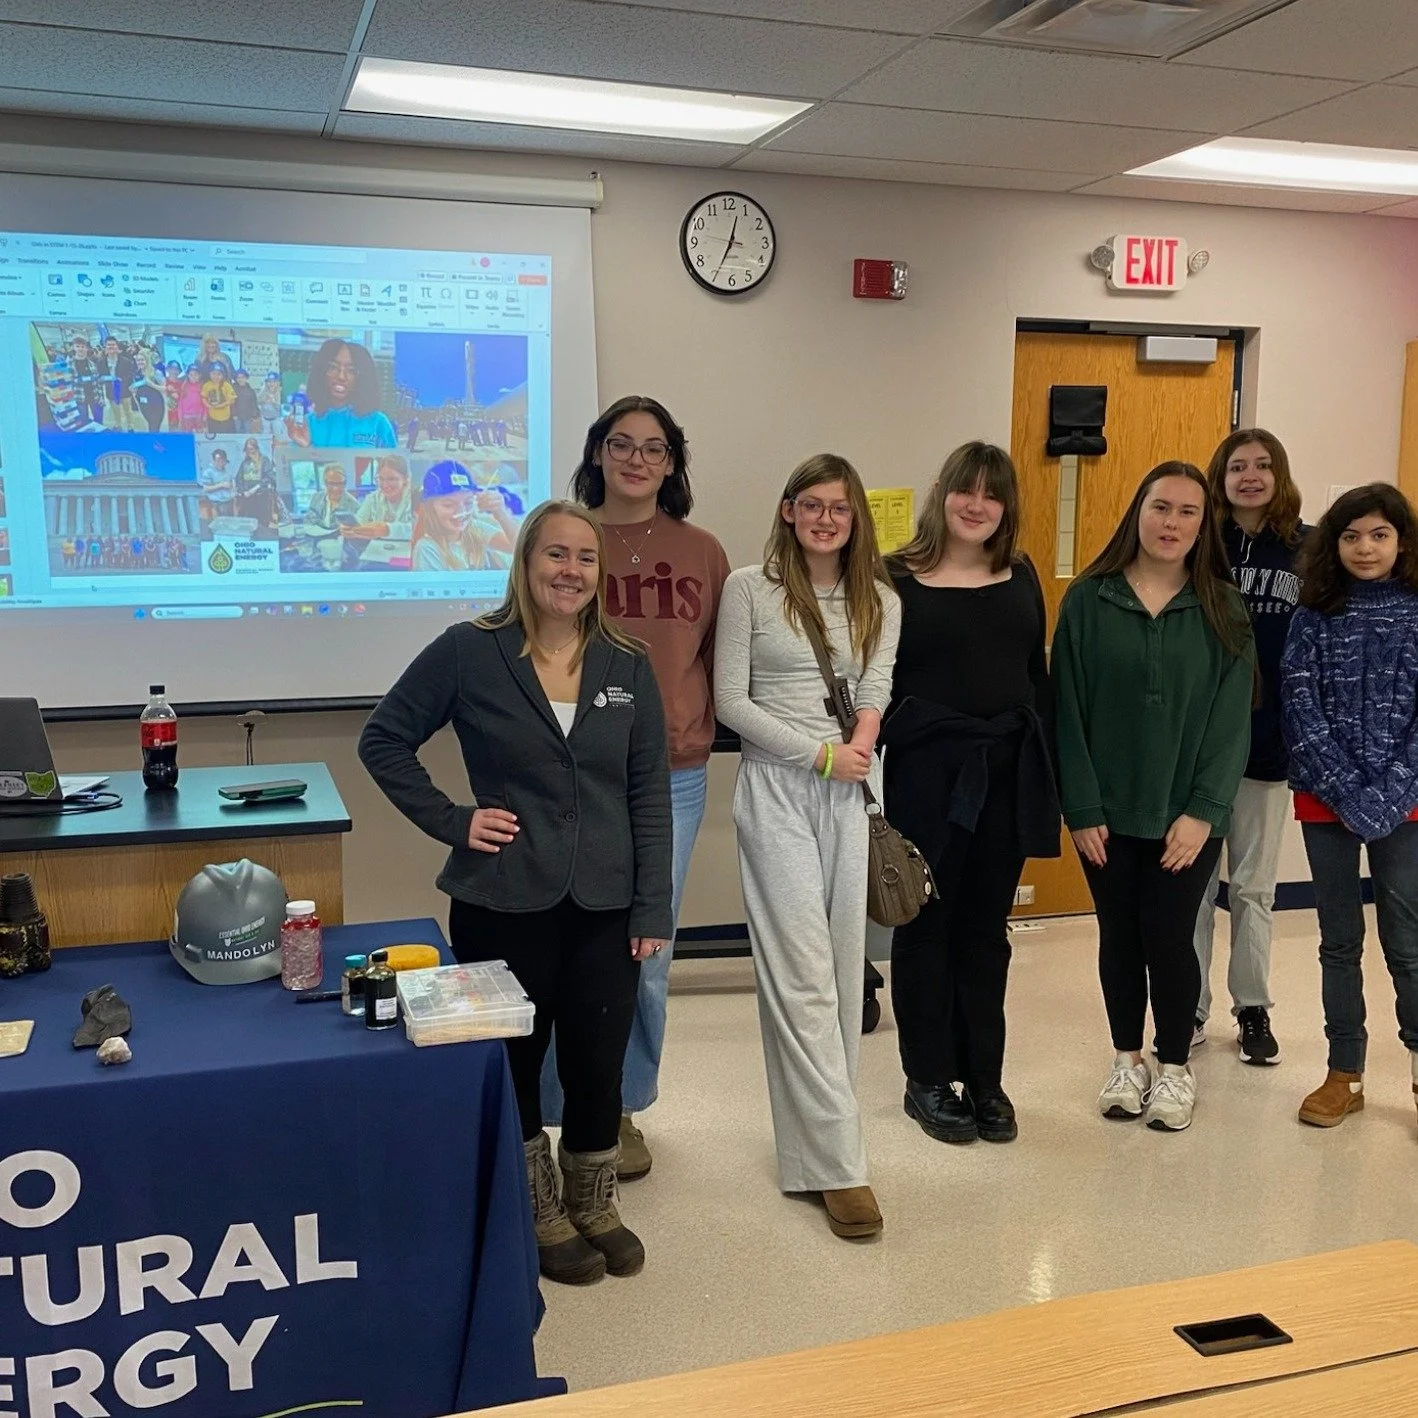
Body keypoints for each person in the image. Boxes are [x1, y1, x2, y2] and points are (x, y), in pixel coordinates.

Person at [359, 500, 671, 1286]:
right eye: (555, 556)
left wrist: (653, 907)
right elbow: (383, 739)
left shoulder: (627, 663)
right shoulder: (471, 651)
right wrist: (454, 821)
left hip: (607, 900)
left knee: (600, 1062)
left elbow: (649, 793)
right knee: (517, 1059)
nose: (571, 572)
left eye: (585, 559)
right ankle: (536, 1208)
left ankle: (593, 1202)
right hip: (504, 899)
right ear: (526, 564)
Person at [539, 396, 731, 1180]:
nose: (637, 460)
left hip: (674, 781)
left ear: (673, 462)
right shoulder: (566, 537)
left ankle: (619, 1104)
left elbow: (722, 661)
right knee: (558, 947)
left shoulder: (703, 552)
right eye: (621, 444)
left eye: (654, 448)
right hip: (570, 777)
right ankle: (552, 1112)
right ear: (596, 452)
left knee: (645, 949)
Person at [715, 453, 900, 1241]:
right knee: (801, 980)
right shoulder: (748, 589)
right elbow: (732, 699)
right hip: (781, 787)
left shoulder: (880, 599)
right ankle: (842, 1166)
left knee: (840, 965)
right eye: (812, 505)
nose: (827, 519)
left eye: (841, 508)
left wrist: (855, 745)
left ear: (856, 520)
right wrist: (818, 753)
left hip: (854, 790)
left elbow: (877, 688)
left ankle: (814, 1156)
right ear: (788, 510)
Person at [1054, 461, 1254, 1133]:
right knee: (1119, 935)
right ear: (1137, 512)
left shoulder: (1224, 607)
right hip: (1105, 816)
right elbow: (1066, 712)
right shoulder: (1089, 599)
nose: (1172, 523)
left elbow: (1232, 723)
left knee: (1169, 937)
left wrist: (1203, 813)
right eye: (1161, 507)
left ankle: (1174, 1067)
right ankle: (1126, 1059)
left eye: (1188, 512)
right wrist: (1081, 808)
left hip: (1186, 819)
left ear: (1204, 525)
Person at [881, 443, 1060, 1147]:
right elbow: (875, 684)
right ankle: (926, 1077)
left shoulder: (1020, 573)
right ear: (943, 493)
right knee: (925, 923)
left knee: (986, 933)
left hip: (1008, 771)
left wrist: (1053, 784)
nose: (977, 504)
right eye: (966, 490)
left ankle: (984, 1076)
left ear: (1007, 506)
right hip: (927, 773)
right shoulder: (897, 577)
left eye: (993, 494)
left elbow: (1034, 678)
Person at [1282, 484, 1418, 1131]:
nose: (1366, 547)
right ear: (1333, 545)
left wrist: (1387, 793)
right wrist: (1349, 790)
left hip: (1408, 804)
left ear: (1401, 542)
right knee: (1339, 941)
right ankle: (1345, 1073)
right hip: (1324, 799)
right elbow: (1298, 706)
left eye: (1379, 534)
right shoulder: (1313, 611)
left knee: (1409, 945)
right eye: (1351, 536)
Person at [1192, 429, 1309, 1066]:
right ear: (1222, 476)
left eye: (1263, 466)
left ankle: (1252, 1008)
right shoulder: (1200, 542)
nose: (1250, 476)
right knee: (1194, 890)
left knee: (1254, 890)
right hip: (1202, 746)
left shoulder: (1306, 547)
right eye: (1237, 466)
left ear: (1278, 474)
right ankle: (1190, 1005)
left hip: (1268, 746)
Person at [289, 339, 396, 450]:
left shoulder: (378, 423)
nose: (341, 376)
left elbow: (394, 465)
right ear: (321, 371)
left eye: (351, 370)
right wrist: (306, 448)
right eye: (333, 367)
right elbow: (293, 465)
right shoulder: (307, 424)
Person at [411, 461, 516, 571]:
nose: (461, 512)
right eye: (449, 505)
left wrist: (502, 514)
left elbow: (520, 547)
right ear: (430, 508)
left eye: (468, 503)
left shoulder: (475, 529)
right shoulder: (427, 548)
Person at [344, 455, 413, 542]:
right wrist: (349, 529)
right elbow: (359, 521)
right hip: (377, 552)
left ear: (405, 479)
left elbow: (420, 530)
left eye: (391, 479)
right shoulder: (372, 499)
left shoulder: (416, 498)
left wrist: (388, 530)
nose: (385, 485)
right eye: (381, 479)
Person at [234, 438, 285, 534]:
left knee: (262, 523)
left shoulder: (264, 460)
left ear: (256, 448)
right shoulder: (245, 462)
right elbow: (238, 478)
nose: (250, 452)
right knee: (249, 523)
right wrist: (243, 491)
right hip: (248, 499)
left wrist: (255, 488)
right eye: (247, 450)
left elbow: (270, 477)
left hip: (262, 497)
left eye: (251, 449)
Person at [198, 448, 235, 520]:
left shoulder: (227, 471)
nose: (220, 463)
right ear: (214, 461)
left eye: (223, 461)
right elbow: (205, 488)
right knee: (220, 525)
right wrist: (221, 485)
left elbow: (232, 484)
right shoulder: (208, 472)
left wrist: (232, 487)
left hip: (229, 502)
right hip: (216, 504)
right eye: (218, 461)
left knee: (230, 524)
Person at [202, 364, 236, 437]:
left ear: (223, 375)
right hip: (212, 418)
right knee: (214, 437)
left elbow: (232, 400)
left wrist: (221, 405)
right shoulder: (207, 385)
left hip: (225, 419)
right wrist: (208, 405)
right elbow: (203, 398)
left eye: (219, 374)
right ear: (209, 374)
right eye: (213, 374)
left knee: (224, 437)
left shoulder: (226, 385)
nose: (216, 376)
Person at [177, 366, 207, 433]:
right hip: (186, 415)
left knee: (200, 432)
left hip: (199, 414)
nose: (193, 376)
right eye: (191, 375)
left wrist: (205, 414)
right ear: (188, 376)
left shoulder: (202, 387)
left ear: (199, 375)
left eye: (196, 374)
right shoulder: (184, 386)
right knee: (188, 433)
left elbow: (205, 402)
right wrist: (180, 417)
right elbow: (180, 403)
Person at [232, 369, 261, 434]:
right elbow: (232, 403)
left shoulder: (251, 391)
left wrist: (255, 415)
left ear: (246, 378)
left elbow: (254, 403)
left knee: (247, 433)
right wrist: (234, 414)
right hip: (236, 417)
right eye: (238, 377)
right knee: (237, 432)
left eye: (243, 377)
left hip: (247, 417)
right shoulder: (232, 389)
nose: (241, 379)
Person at [258, 373, 284, 440]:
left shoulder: (280, 392)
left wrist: (274, 402)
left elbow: (280, 408)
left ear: (278, 383)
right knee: (265, 436)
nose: (271, 384)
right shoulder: (263, 391)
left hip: (276, 418)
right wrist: (264, 400)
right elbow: (258, 402)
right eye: (269, 381)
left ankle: (277, 449)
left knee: (277, 436)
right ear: (266, 383)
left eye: (274, 382)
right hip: (265, 418)